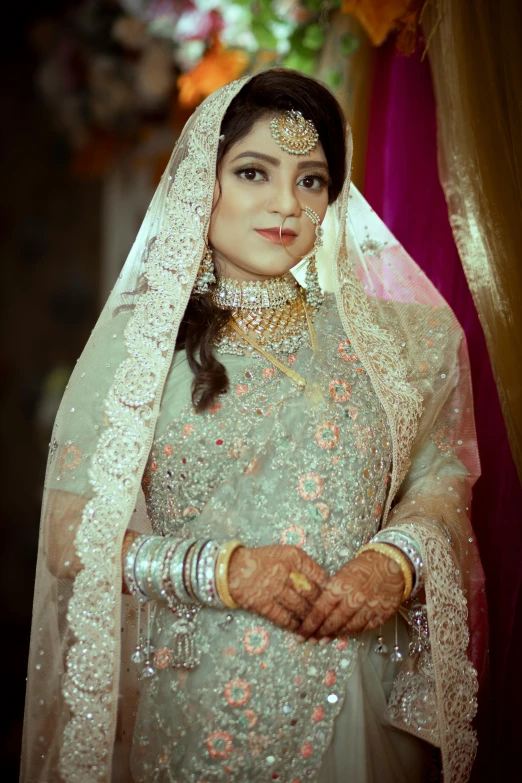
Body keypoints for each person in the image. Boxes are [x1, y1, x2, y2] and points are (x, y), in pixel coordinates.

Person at [21, 68, 486, 783]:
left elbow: (440, 481)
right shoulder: (143, 353)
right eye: (253, 171)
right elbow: (67, 529)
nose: (285, 204)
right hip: (199, 709)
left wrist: (395, 559)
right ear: (200, 185)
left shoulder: (399, 346)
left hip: (357, 699)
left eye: (310, 180)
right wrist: (222, 570)